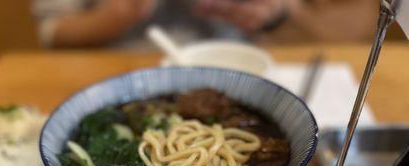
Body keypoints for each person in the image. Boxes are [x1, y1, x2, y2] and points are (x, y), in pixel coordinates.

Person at [33, 0, 379, 48]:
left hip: (237, 72)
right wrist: (120, 13)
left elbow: (351, 35)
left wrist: (276, 15)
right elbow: (50, 31)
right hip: (121, 72)